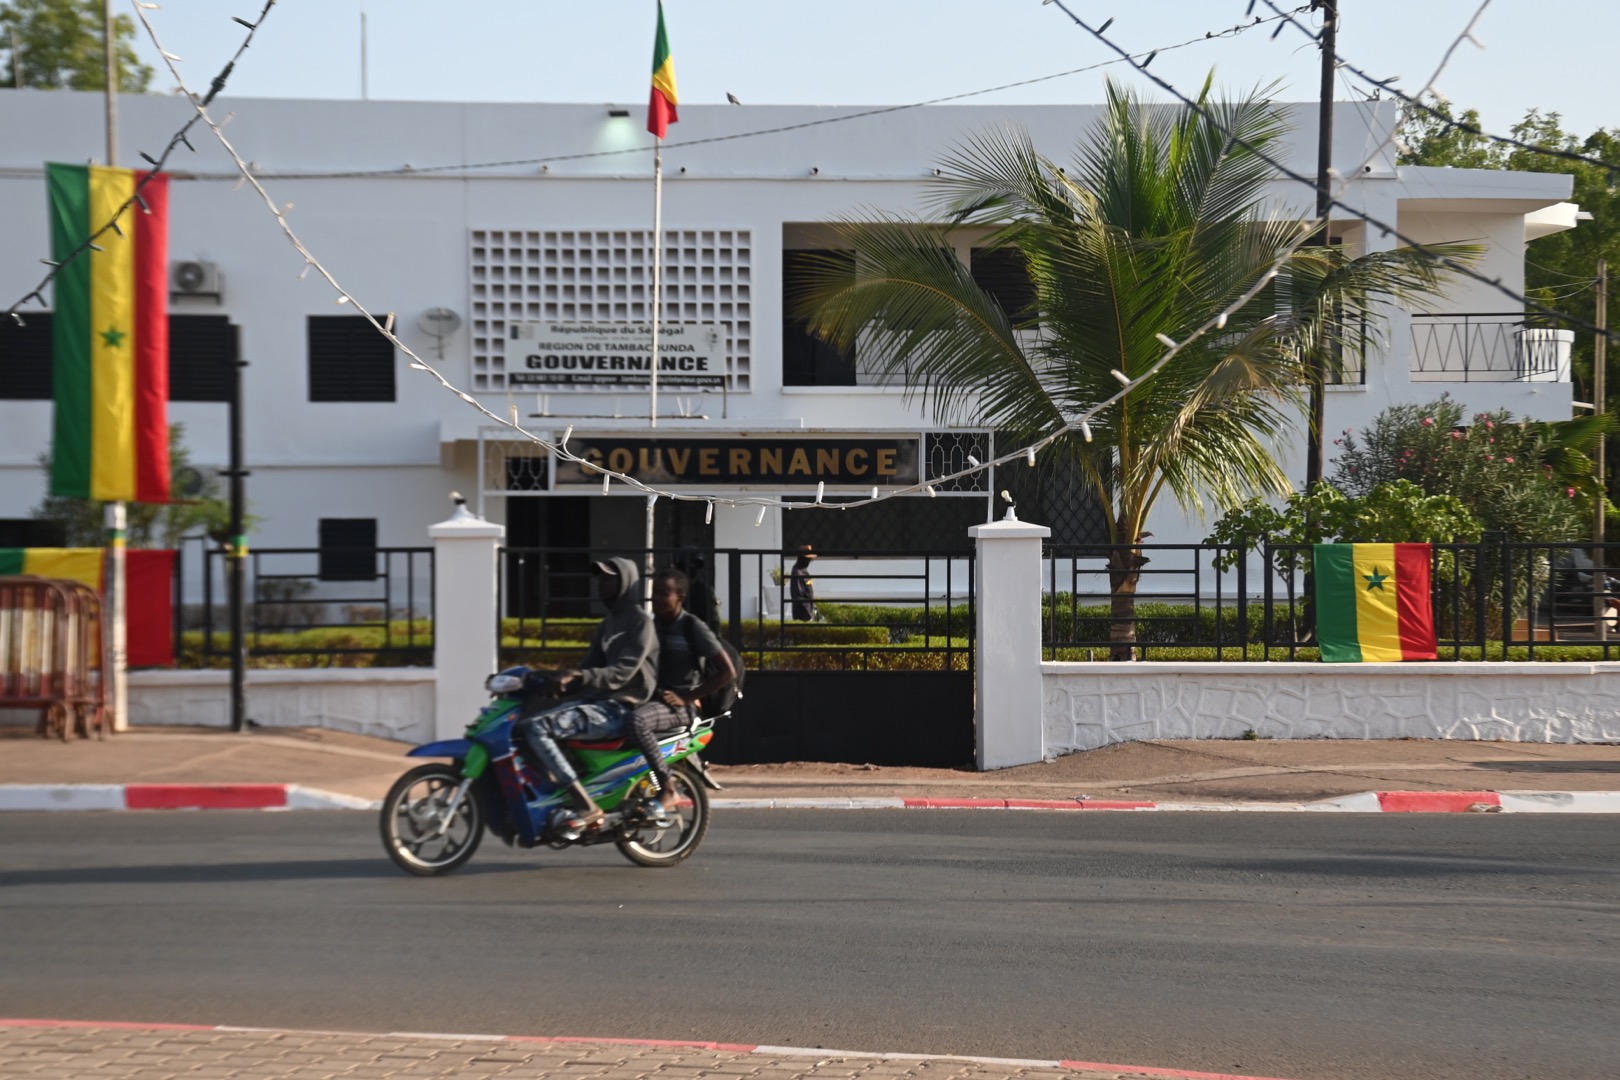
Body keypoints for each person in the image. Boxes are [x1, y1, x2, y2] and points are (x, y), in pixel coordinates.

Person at [520, 556, 657, 833]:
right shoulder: (607, 624)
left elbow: (622, 673)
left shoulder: (640, 622)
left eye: (608, 579)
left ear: (625, 582)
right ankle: (556, 795)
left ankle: (586, 804)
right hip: (598, 702)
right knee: (523, 724)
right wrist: (551, 678)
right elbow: (588, 668)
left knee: (537, 727)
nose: (600, 584)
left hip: (621, 707)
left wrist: (580, 677)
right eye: (600, 579)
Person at [629, 567, 737, 814]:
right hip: (653, 701)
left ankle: (667, 788)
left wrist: (688, 697)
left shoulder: (692, 627)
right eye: (653, 593)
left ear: (680, 598)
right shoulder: (651, 626)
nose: (655, 598)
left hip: (681, 707)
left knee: (637, 722)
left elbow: (727, 672)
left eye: (663, 593)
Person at [789, 544, 817, 622]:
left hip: (808, 611)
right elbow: (799, 596)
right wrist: (808, 614)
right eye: (807, 559)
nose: (809, 561)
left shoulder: (803, 571)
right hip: (803, 614)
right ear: (801, 558)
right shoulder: (797, 572)